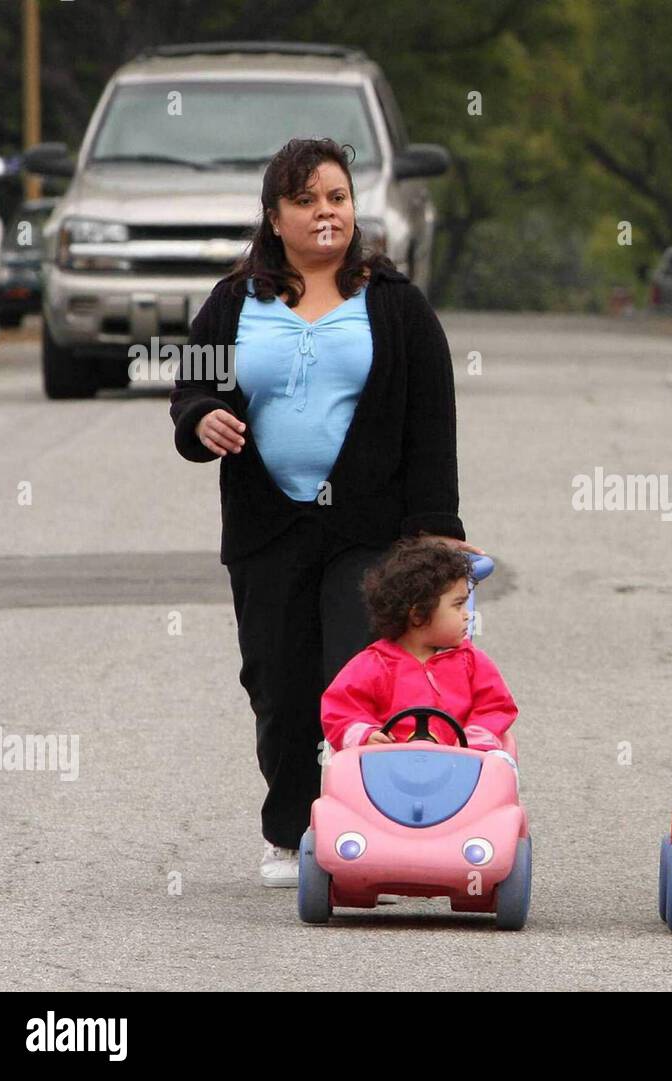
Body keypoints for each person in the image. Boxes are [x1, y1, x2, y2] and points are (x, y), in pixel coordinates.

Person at [169, 137, 479, 887]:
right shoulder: (232, 302)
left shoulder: (396, 306)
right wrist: (202, 417)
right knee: (276, 682)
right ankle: (290, 829)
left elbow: (431, 420)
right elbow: (192, 390)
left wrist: (440, 535)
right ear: (275, 216)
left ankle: (352, 825)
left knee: (352, 675)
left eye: (336, 197)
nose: (324, 212)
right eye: (305, 200)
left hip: (368, 532)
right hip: (266, 527)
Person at [321, 539, 518, 752]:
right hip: (388, 771)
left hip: (461, 768)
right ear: (418, 616)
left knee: (498, 768)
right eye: (458, 605)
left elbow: (496, 706)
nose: (467, 615)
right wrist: (367, 734)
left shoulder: (471, 662)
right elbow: (341, 709)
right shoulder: (374, 664)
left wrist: (474, 737)